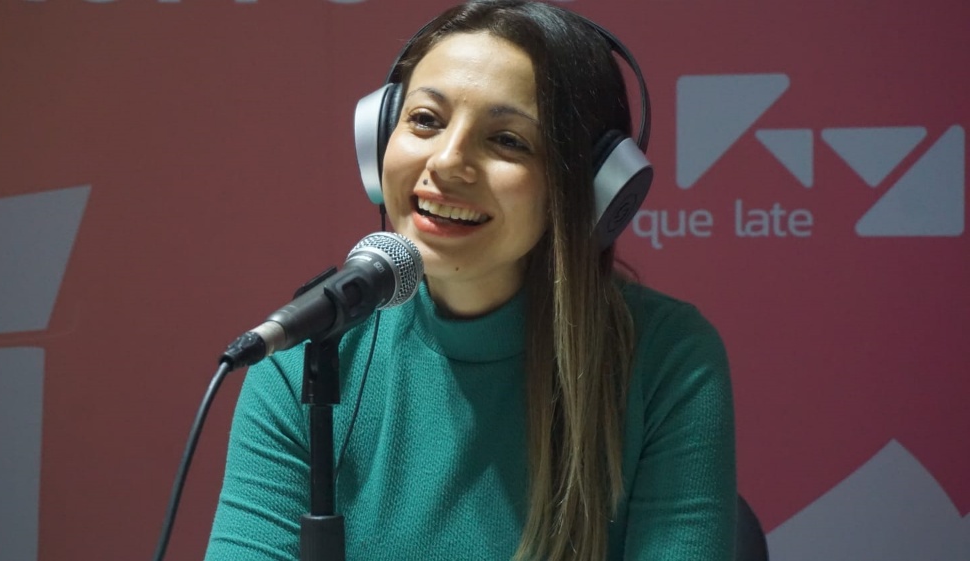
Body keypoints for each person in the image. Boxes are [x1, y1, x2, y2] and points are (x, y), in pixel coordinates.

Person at [205, 1, 735, 560]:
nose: (447, 162)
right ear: (379, 136)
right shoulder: (305, 359)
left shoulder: (667, 359)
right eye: (425, 120)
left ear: (591, 189)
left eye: (508, 139)